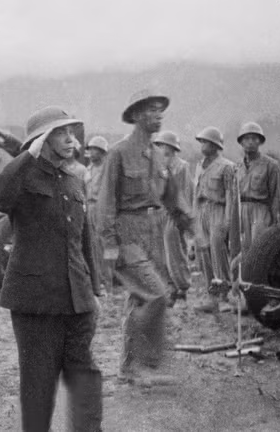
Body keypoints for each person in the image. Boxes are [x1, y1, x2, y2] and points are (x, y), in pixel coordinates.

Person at [0, 106, 102, 432]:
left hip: (76, 300)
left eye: (71, 132)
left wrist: (95, 291)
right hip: (35, 303)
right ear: (41, 140)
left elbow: (84, 239)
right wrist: (27, 157)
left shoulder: (73, 179)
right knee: (39, 386)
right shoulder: (21, 179)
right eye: (61, 133)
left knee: (85, 376)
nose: (71, 139)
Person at [97, 90, 191, 385]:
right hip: (127, 233)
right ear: (137, 115)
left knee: (140, 298)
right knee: (156, 295)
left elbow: (174, 198)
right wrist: (110, 246)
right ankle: (142, 364)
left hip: (153, 231)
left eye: (161, 110)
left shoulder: (159, 154)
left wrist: (193, 228)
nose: (159, 114)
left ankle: (131, 368)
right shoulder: (118, 153)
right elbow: (106, 204)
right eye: (153, 109)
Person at [193, 126, 235, 313]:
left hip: (218, 210)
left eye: (206, 142)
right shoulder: (199, 165)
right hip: (202, 210)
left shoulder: (227, 166)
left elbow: (231, 196)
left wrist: (227, 221)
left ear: (215, 145)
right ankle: (212, 296)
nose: (203, 145)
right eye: (201, 141)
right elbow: (195, 193)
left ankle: (225, 295)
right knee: (204, 253)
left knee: (218, 252)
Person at [152, 130, 194, 306]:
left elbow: (185, 192)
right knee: (159, 253)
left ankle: (182, 288)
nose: (162, 149)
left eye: (165, 145)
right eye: (159, 145)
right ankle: (169, 288)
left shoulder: (181, 166)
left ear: (173, 147)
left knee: (175, 251)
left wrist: (184, 215)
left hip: (175, 213)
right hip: (158, 212)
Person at [234, 122, 280, 254]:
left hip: (261, 210)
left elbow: (275, 195)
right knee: (242, 250)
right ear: (241, 142)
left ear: (260, 142)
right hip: (241, 210)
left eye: (254, 139)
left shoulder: (271, 165)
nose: (250, 142)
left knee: (259, 248)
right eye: (247, 139)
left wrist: (274, 219)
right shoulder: (237, 166)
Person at [84, 136, 111, 293]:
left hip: (102, 209)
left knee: (102, 246)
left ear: (102, 152)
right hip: (89, 207)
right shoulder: (88, 169)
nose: (92, 153)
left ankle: (105, 281)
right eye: (91, 149)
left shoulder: (106, 170)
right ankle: (96, 279)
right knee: (91, 245)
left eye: (95, 150)